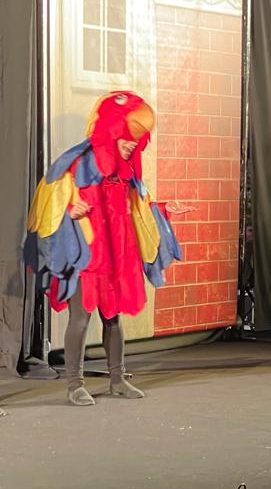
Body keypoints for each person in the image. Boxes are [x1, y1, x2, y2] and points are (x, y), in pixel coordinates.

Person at [25, 91, 182, 405]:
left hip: (115, 256)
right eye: (127, 135)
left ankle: (117, 380)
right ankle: (75, 385)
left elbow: (139, 208)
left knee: (113, 319)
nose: (132, 143)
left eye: (136, 138)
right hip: (85, 256)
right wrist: (70, 212)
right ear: (112, 131)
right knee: (80, 320)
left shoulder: (127, 173)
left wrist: (164, 209)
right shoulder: (75, 165)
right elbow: (48, 208)